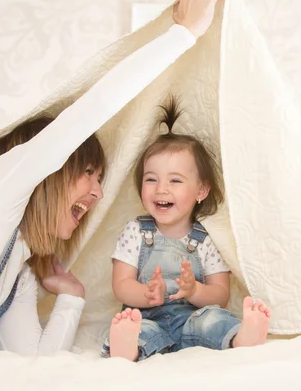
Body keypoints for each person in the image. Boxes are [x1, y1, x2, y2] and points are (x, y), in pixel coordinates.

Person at [0, 0, 226, 355]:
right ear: (51, 171)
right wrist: (184, 34)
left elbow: (37, 362)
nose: (98, 193)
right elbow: (92, 109)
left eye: (100, 179)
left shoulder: (19, 277)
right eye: (88, 172)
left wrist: (72, 296)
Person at [101, 98, 271, 361]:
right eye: (151, 179)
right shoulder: (135, 231)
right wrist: (146, 294)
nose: (161, 189)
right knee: (138, 328)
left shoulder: (206, 240)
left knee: (212, 320)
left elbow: (221, 294)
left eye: (175, 180)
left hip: (191, 318)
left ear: (201, 190)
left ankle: (241, 337)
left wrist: (195, 292)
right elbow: (121, 285)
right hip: (147, 317)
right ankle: (128, 348)